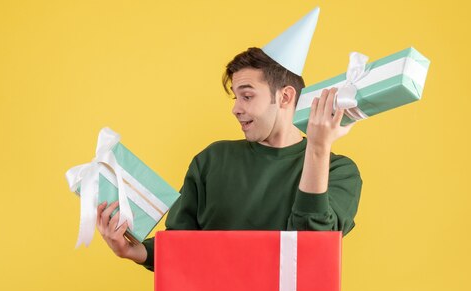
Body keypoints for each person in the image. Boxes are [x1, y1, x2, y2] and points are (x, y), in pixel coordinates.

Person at [95, 8, 362, 271]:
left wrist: (317, 148)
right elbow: (183, 244)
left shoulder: (337, 171)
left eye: (247, 96)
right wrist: (136, 251)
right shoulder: (212, 160)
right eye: (236, 97)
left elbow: (310, 249)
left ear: (285, 97)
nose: (235, 108)